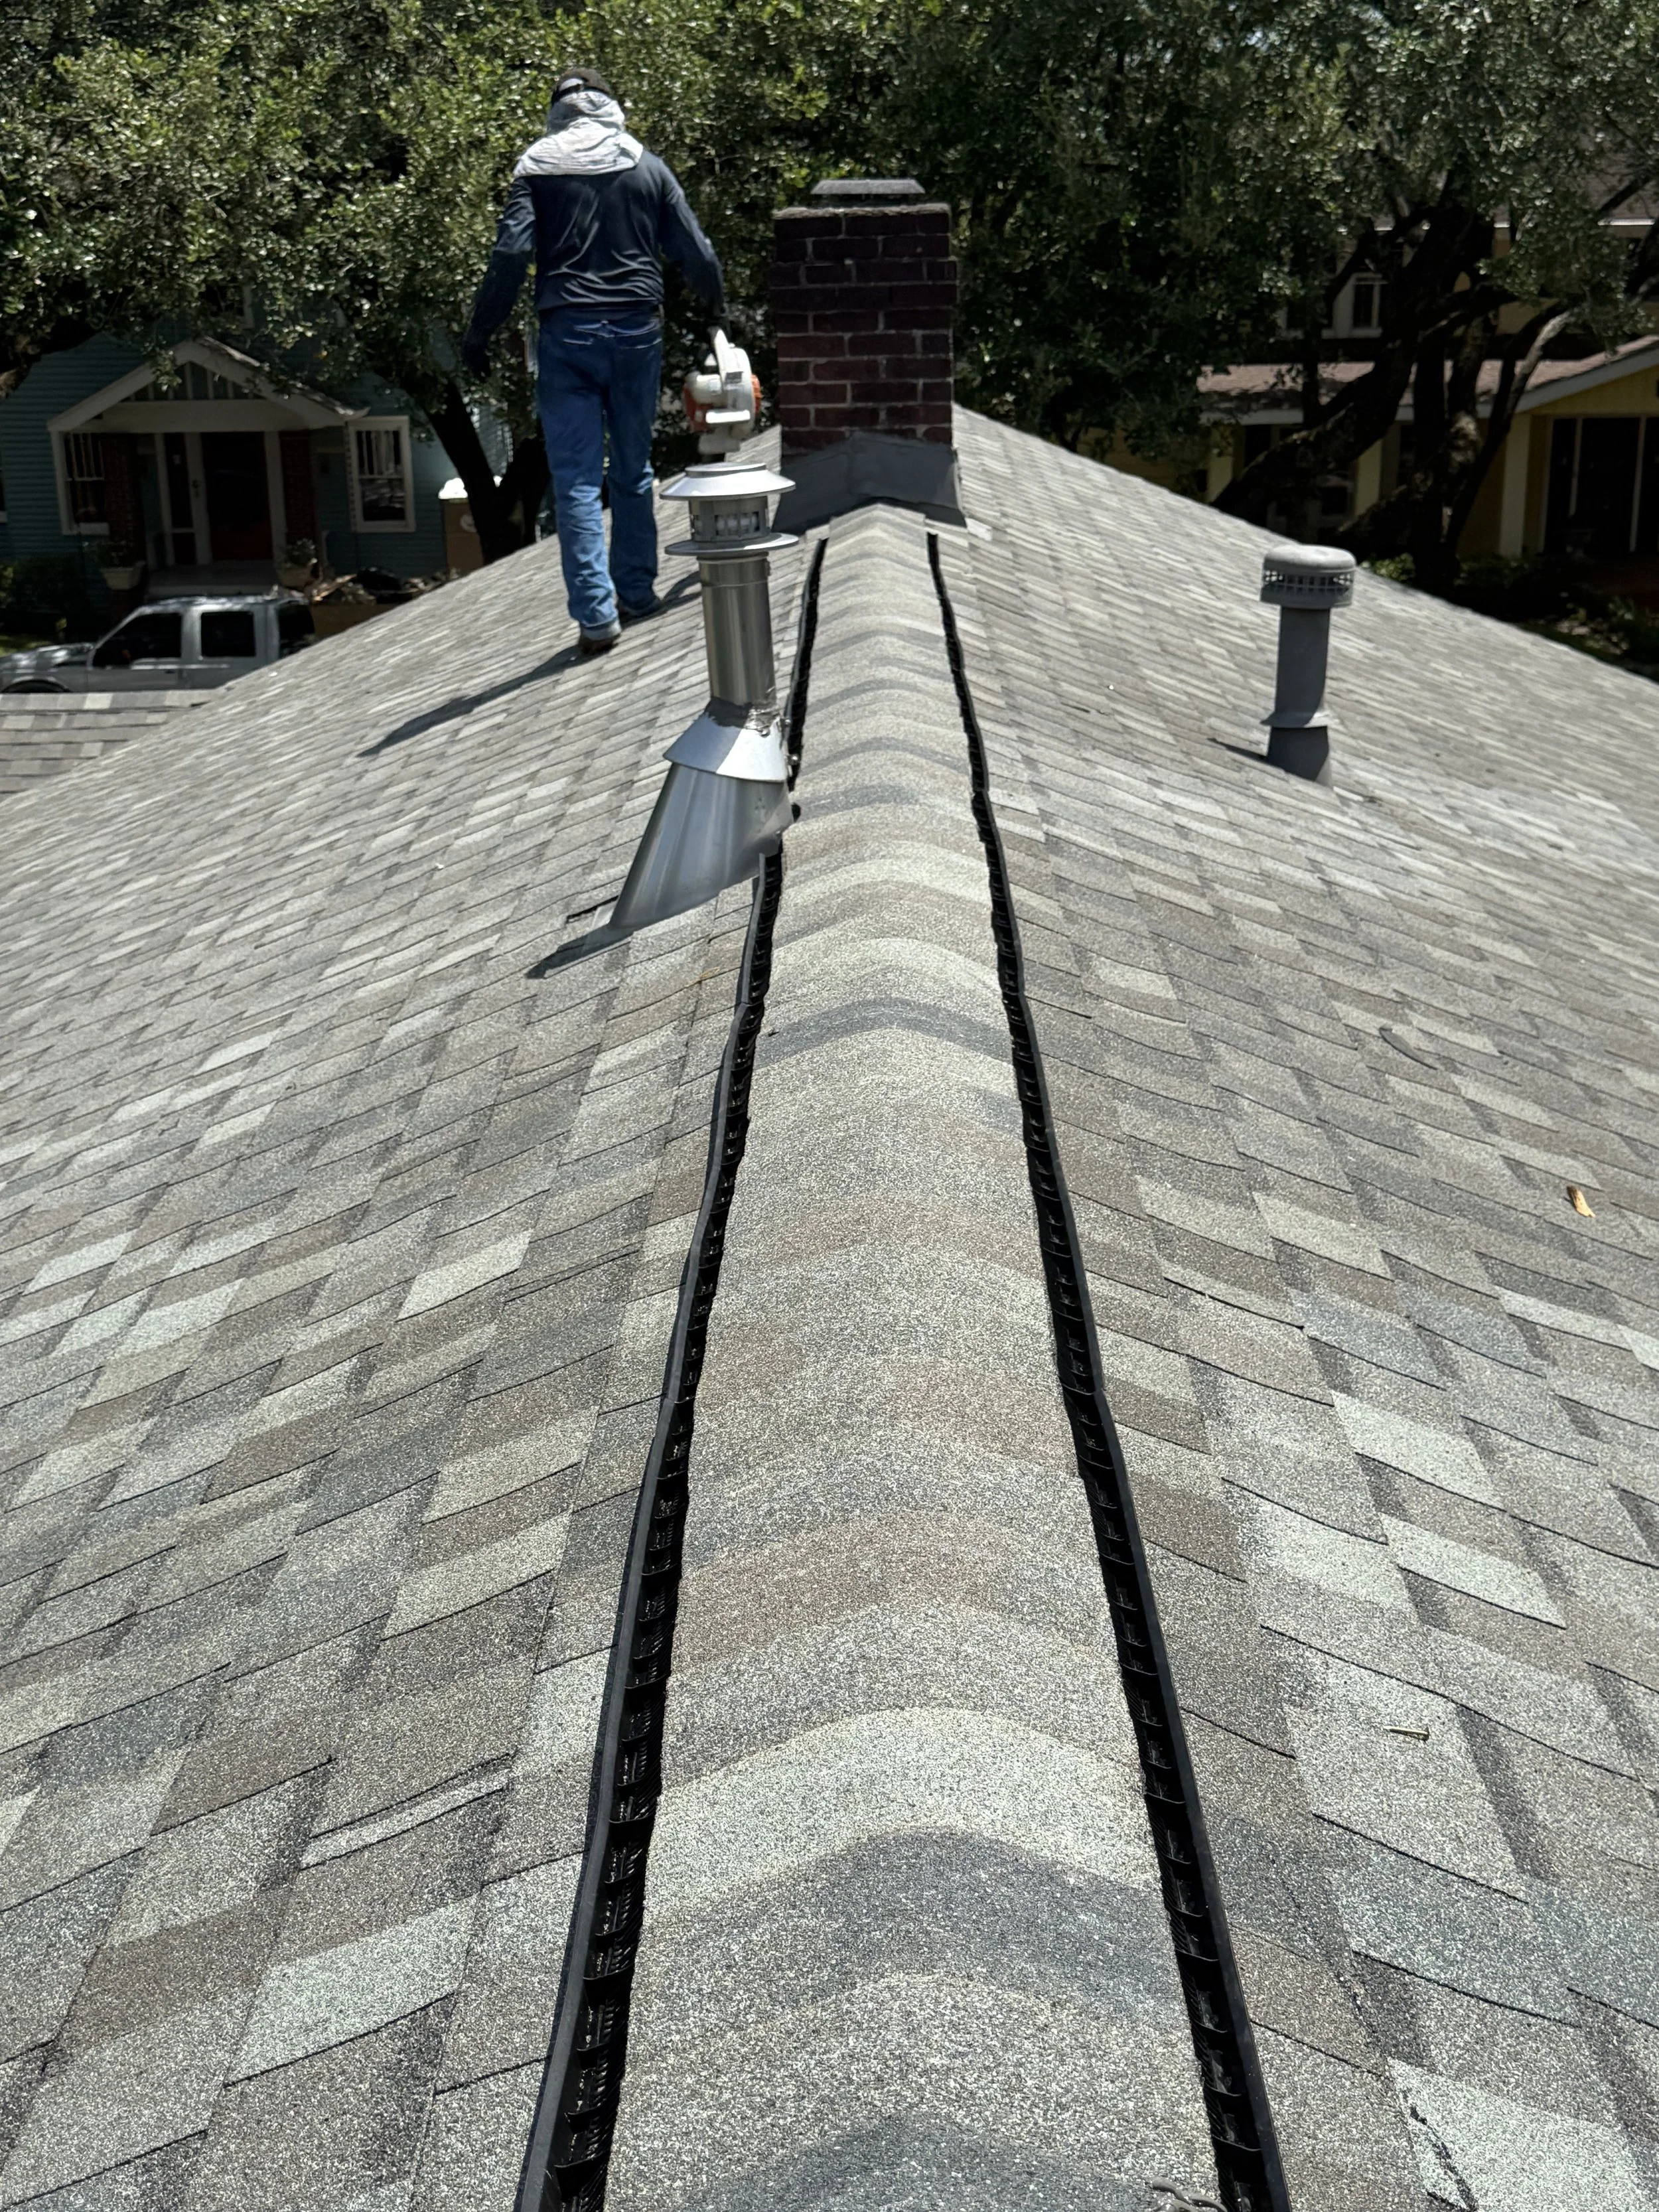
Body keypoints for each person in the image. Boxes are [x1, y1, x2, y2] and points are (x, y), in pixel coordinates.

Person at [462, 68, 725, 654]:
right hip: (637, 333)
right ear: (612, 106)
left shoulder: (536, 169)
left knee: (577, 482)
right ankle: (637, 592)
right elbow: (696, 252)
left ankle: (597, 616)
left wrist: (480, 334)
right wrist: (718, 311)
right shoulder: (647, 166)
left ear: (556, 113)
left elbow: (510, 254)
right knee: (631, 470)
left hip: (567, 335)